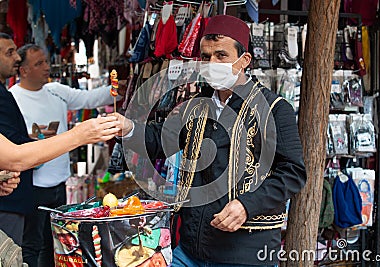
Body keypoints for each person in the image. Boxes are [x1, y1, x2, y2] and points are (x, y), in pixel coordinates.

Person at [114, 15, 307, 266]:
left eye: (221, 55)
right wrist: (127, 128)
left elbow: (293, 173)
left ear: (244, 60)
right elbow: (162, 140)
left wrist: (247, 205)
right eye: (206, 57)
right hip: (190, 248)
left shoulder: (274, 109)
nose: (211, 63)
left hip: (244, 253)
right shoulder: (196, 106)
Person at [0, 32, 119, 250]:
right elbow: (12, 152)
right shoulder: (12, 95)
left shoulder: (55, 90)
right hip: (30, 185)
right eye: (39, 63)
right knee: (32, 245)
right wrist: (76, 136)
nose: (46, 67)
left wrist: (122, 86)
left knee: (60, 243)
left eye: (46, 61)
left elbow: (90, 99)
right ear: (24, 71)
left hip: (57, 182)